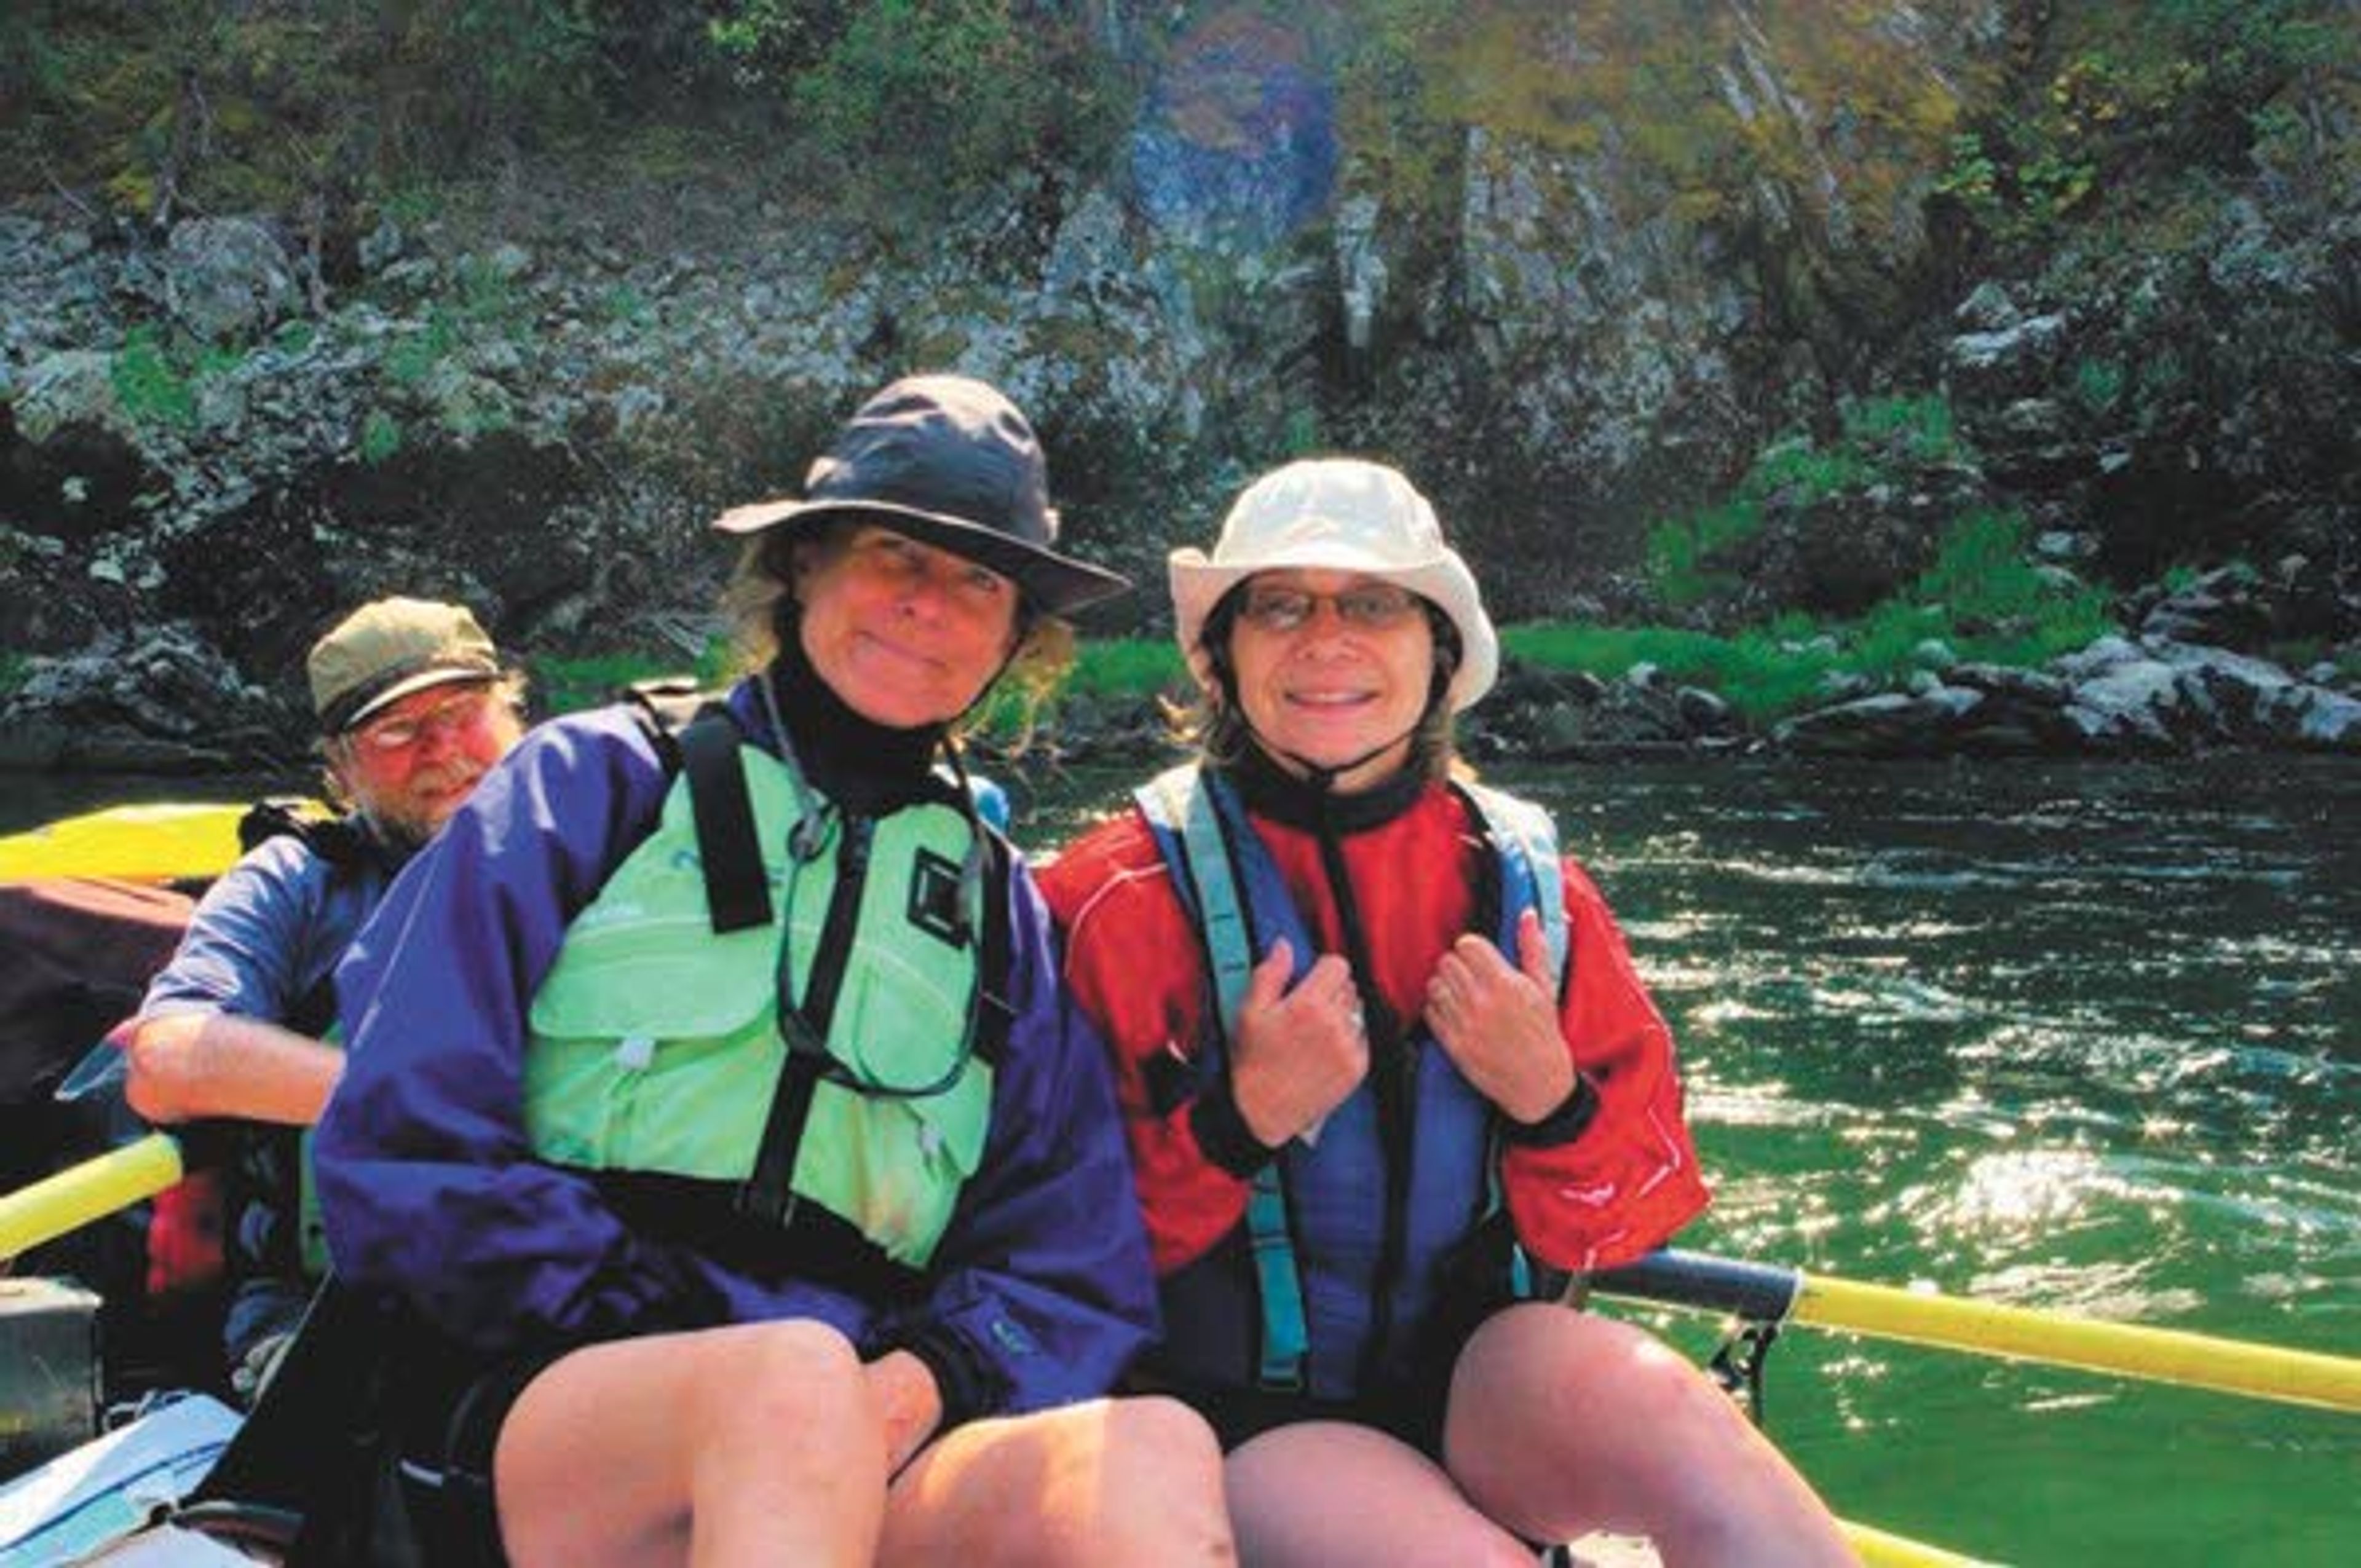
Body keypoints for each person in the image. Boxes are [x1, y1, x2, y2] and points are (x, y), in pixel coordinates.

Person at [308, 375, 1232, 1567]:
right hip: (548, 1405)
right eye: (895, 552)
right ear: (803, 568)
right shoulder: (592, 783)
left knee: (1151, 1449)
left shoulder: (1001, 910)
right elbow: (403, 1136)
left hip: (851, 1425)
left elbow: (1073, 1271)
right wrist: (686, 1320)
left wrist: (915, 1385)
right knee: (788, 1382)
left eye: (979, 580)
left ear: (1016, 637)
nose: (928, 605)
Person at [1040, 458, 1857, 1566]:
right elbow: (1044, 1261)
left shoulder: (1538, 897)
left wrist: (1553, 1102)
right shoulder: (1113, 899)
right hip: (1249, 1422)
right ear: (1226, 657)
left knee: (1693, 1439)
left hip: (1489, 1390)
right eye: (1280, 606)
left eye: (1373, 604)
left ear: (1439, 651)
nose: (1326, 641)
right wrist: (1237, 1123)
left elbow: (1628, 1220)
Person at [111, 595, 527, 1398]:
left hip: (573, 1276)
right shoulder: (298, 883)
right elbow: (165, 1059)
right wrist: (417, 1103)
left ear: (513, 716)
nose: (442, 749)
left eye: (462, 711)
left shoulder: (619, 850)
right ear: (339, 771)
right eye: (396, 732)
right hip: (329, 1306)